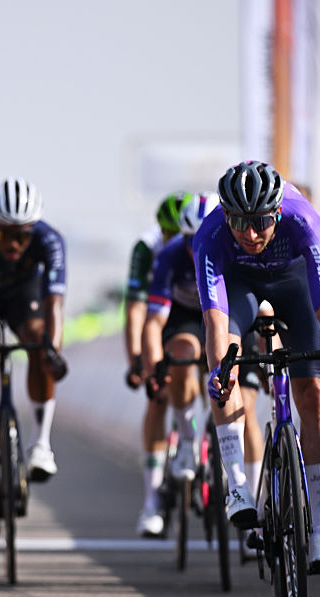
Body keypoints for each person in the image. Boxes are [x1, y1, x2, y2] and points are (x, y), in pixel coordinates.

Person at [197, 160, 320, 574]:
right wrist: (222, 371)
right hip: (240, 286)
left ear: (277, 213)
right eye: (239, 222)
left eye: (260, 223)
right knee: (224, 369)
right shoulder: (211, 236)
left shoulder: (305, 221)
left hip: (295, 284)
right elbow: (217, 321)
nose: (250, 234)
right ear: (225, 215)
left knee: (314, 396)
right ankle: (237, 487)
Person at [141, 194, 266, 497]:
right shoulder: (169, 257)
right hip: (188, 316)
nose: (195, 249)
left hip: (230, 312)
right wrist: (154, 366)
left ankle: (257, 499)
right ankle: (187, 441)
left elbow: (264, 303)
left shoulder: (239, 247)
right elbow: (153, 321)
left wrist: (264, 356)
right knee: (182, 355)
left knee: (245, 408)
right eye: (188, 241)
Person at [0, 177, 67, 482]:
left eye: (23, 236)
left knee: (40, 343)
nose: (15, 244)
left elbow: (55, 303)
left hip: (23, 300)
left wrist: (51, 351)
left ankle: (41, 444)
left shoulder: (49, 239)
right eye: (6, 234)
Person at [124, 192, 189, 537]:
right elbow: (134, 308)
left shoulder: (202, 242)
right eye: (168, 232)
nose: (174, 241)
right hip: (159, 313)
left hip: (195, 315)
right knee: (157, 395)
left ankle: (198, 444)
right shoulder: (146, 249)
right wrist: (137, 359)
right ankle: (151, 501)